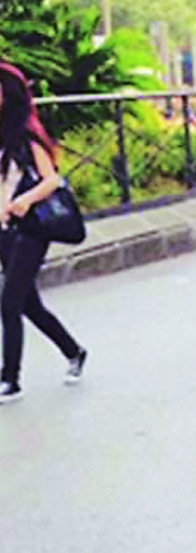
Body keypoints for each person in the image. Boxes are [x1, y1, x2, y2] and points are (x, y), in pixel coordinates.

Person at [0, 62, 87, 404]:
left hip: (31, 228)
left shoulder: (28, 134)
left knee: (9, 301)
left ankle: (10, 379)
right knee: (29, 304)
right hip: (5, 229)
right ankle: (74, 351)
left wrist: (23, 201)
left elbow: (52, 179)